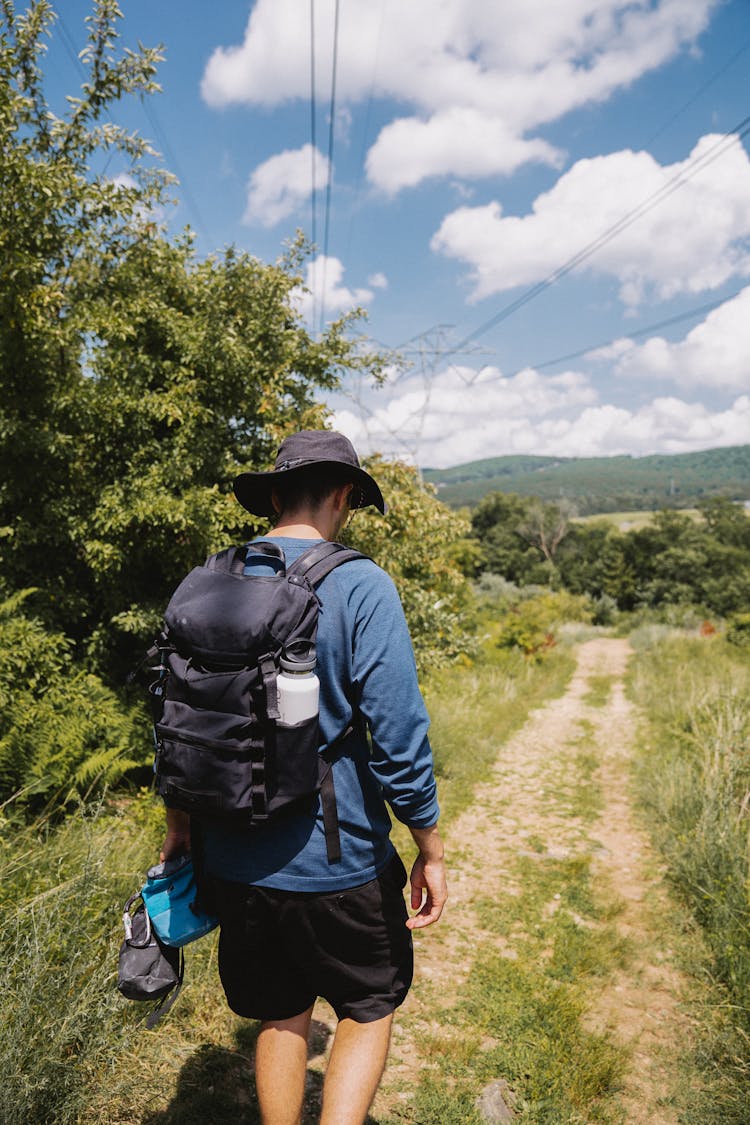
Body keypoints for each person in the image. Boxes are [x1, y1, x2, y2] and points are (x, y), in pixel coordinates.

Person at [160, 429, 447, 1125]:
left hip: (231, 853)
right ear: (345, 497)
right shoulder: (361, 584)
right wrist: (429, 846)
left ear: (276, 493)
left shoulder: (210, 581)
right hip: (337, 858)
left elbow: (174, 718)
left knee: (279, 1010)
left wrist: (179, 834)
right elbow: (399, 734)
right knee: (369, 1004)